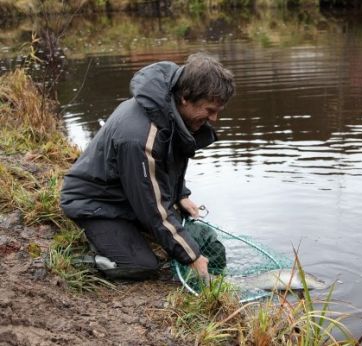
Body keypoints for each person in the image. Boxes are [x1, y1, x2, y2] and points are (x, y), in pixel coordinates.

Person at [60, 52, 235, 281]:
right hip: (96, 203)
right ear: (185, 97)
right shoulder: (140, 139)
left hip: (126, 195)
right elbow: (152, 209)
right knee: (141, 265)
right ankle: (85, 260)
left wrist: (180, 194)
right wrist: (192, 257)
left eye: (217, 112)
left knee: (199, 241)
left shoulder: (168, 108)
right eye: (209, 110)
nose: (213, 119)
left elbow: (171, 160)